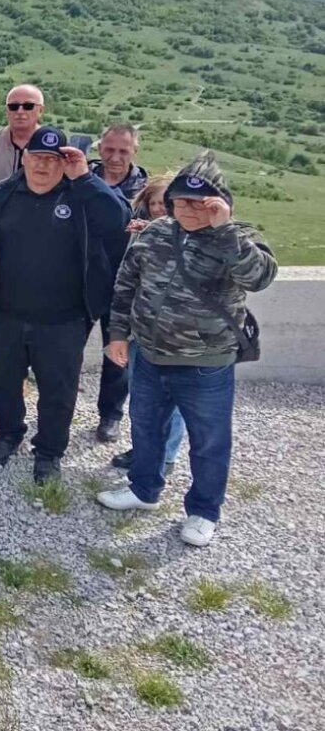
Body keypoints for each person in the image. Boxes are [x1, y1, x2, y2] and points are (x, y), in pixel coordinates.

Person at [97, 151, 278, 547]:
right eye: (181, 202)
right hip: (149, 355)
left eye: (200, 203)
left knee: (209, 441)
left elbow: (260, 277)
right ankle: (144, 489)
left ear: (221, 204)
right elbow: (126, 286)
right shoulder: (156, 233)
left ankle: (202, 511)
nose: (188, 210)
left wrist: (225, 229)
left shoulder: (238, 239)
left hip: (204, 363)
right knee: (146, 428)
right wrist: (117, 336)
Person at [0, 126, 129, 483]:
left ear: (64, 163)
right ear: (24, 158)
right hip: (6, 312)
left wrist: (85, 177)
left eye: (52, 159)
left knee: (57, 390)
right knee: (2, 381)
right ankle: (8, 433)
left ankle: (48, 452)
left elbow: (118, 220)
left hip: (64, 319)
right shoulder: (2, 195)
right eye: (37, 158)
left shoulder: (82, 195)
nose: (43, 167)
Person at [110, 173, 187, 474]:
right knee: (143, 399)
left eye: (165, 203)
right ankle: (143, 450)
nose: (159, 209)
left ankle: (165, 456)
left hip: (178, 334)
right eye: (154, 203)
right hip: (141, 329)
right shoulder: (140, 232)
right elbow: (127, 280)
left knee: (174, 401)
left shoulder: (197, 233)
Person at [90, 124, 149, 443]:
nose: (115, 156)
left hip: (125, 287)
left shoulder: (147, 191)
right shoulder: (79, 178)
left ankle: (110, 416)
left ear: (135, 151)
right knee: (66, 354)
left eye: (123, 151)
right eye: (109, 149)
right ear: (100, 148)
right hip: (82, 283)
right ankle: (60, 411)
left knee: (117, 356)